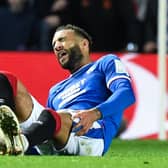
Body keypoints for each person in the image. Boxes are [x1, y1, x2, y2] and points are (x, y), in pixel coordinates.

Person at [0, 24, 135, 156]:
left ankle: (18, 143)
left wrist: (95, 113)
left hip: (91, 136)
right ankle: (6, 136)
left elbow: (126, 93)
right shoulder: (56, 90)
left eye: (62, 40)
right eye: (54, 45)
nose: (57, 47)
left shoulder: (104, 64)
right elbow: (45, 126)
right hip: (58, 132)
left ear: (84, 44)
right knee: (6, 80)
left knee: (53, 116)